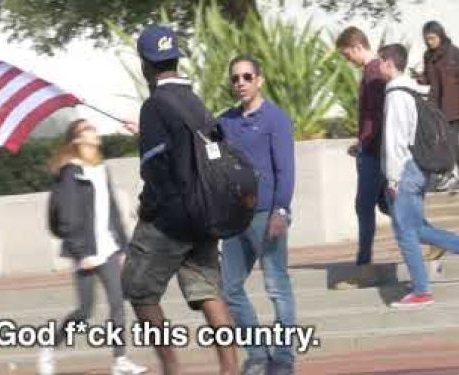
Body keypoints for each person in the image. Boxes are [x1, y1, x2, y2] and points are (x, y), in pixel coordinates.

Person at [120, 25, 239, 375]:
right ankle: (231, 369)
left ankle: (172, 368)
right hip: (206, 213)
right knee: (207, 291)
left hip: (170, 219)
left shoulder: (155, 105)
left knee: (139, 289)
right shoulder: (195, 101)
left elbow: (155, 169)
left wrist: (148, 206)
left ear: (145, 65)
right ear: (176, 58)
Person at [378, 44, 459, 309]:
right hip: (419, 167)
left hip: (404, 170)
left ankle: (421, 291)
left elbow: (395, 141)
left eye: (380, 62)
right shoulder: (412, 91)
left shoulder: (395, 95)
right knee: (417, 228)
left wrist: (392, 180)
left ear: (390, 64)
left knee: (406, 233)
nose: (378, 67)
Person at [40, 119, 147, 375]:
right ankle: (50, 348)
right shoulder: (70, 172)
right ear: (77, 139)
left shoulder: (101, 168)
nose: (95, 132)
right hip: (86, 250)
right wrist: (82, 252)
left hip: (109, 248)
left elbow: (112, 212)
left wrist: (123, 247)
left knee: (118, 303)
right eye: (89, 129)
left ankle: (120, 361)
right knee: (85, 311)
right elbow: (67, 216)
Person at [218, 55, 296, 375]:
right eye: (235, 78)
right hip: (234, 218)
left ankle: (285, 356)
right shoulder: (225, 122)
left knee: (277, 286)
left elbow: (285, 170)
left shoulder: (276, 119)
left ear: (259, 80)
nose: (241, 83)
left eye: (247, 77)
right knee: (229, 287)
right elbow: (196, 145)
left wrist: (281, 210)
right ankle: (258, 353)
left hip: (267, 216)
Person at [334, 26, 390, 289]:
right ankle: (438, 239)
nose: (348, 61)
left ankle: (364, 267)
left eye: (347, 55)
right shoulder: (373, 72)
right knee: (390, 207)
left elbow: (378, 117)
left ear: (357, 47)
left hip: (374, 154)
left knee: (364, 207)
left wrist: (366, 144)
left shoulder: (373, 73)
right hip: (372, 149)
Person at [413, 21, 459, 192]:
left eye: (432, 38)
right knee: (442, 141)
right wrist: (419, 77)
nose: (430, 42)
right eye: (427, 39)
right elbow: (429, 79)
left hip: (454, 104)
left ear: (440, 35)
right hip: (436, 106)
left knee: (452, 140)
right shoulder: (428, 56)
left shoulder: (454, 52)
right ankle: (449, 176)